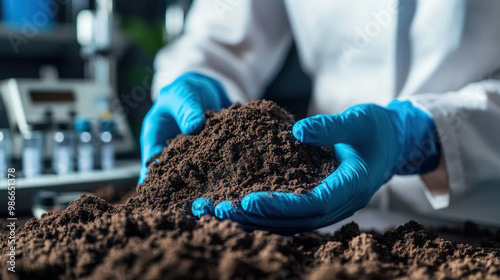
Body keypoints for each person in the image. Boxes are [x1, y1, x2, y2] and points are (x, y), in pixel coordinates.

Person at [140, 0, 500, 234]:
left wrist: (421, 133)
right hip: (321, 199)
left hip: (479, 217)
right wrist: (199, 75)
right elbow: (223, 32)